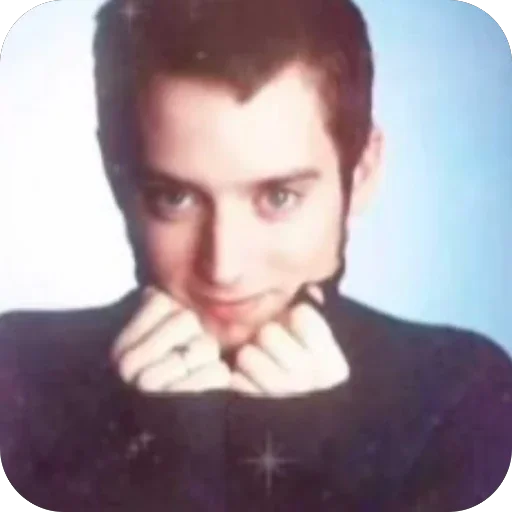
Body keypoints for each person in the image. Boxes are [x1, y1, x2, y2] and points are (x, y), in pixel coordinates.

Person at [1, 0, 510, 510]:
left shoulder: (460, 394)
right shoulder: (14, 371)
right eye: (174, 198)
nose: (224, 268)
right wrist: (169, 464)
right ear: (117, 177)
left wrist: (305, 458)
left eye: (279, 197)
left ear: (360, 175)